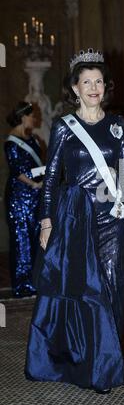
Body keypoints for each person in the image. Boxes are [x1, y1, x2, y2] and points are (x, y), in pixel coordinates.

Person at [25, 49, 124, 394]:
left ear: (105, 87)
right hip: (76, 218)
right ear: (75, 88)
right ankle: (82, 358)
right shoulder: (64, 127)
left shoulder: (119, 126)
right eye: (86, 82)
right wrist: (46, 221)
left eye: (98, 81)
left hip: (111, 218)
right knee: (82, 291)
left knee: (112, 287)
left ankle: (105, 362)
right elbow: (50, 179)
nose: (93, 87)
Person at [4, 102, 43, 298]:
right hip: (19, 198)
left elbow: (37, 165)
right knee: (22, 240)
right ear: (22, 117)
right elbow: (17, 171)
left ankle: (36, 282)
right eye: (31, 115)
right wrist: (34, 184)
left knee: (36, 237)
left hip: (35, 196)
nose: (34, 119)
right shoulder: (11, 142)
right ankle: (22, 285)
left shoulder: (33, 139)